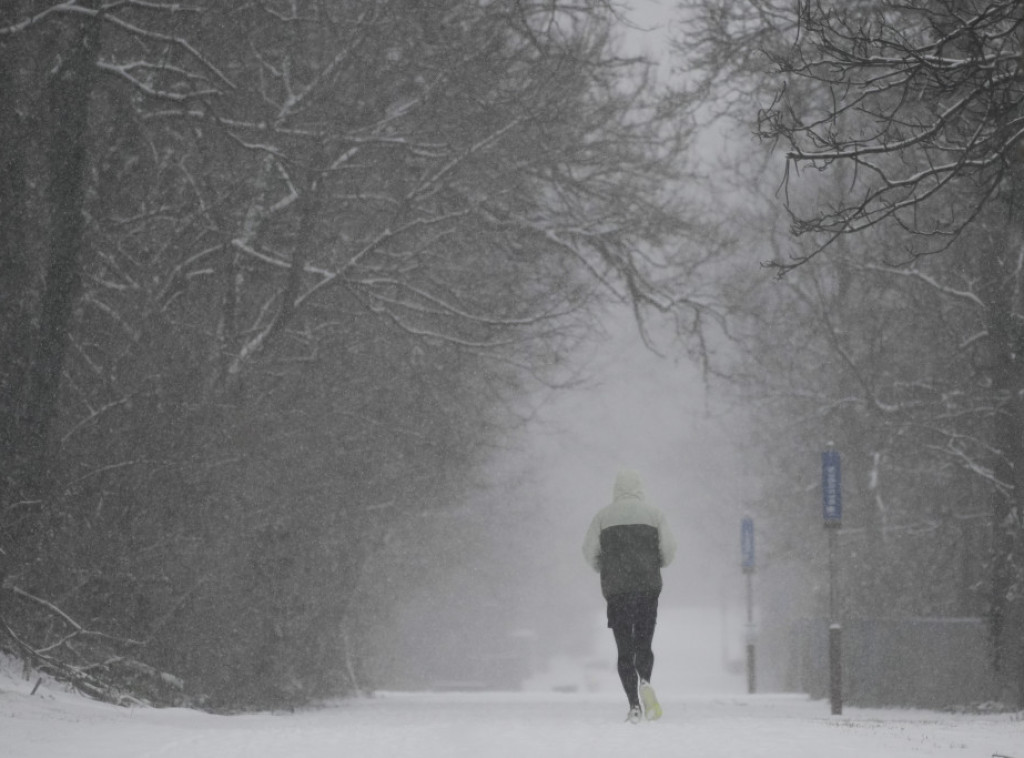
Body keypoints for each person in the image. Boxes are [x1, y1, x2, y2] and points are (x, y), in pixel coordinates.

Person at [582, 468, 676, 723]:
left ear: (616, 489)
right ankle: (645, 680)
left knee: (624, 649)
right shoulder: (655, 515)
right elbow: (668, 550)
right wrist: (657, 562)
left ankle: (634, 705)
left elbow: (589, 551)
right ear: (639, 488)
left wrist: (604, 566)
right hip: (647, 589)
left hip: (617, 591)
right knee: (644, 643)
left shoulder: (603, 517)